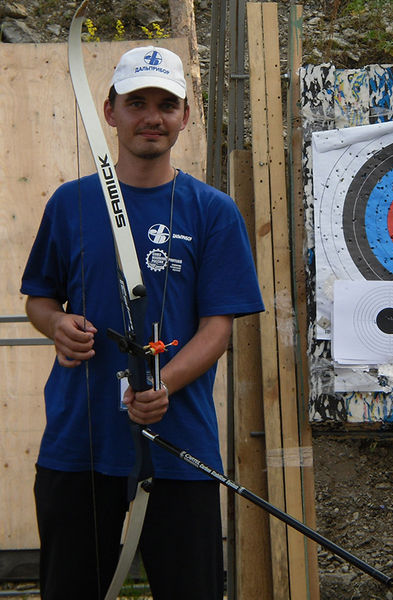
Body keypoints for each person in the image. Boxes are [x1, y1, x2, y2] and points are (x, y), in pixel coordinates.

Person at [20, 45, 264, 600]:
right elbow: (40, 299)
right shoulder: (70, 203)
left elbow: (218, 329)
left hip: (179, 444)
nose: (152, 117)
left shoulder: (213, 211)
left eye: (166, 105)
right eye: (136, 103)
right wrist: (56, 325)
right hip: (79, 442)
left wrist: (162, 384)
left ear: (185, 116)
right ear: (110, 111)